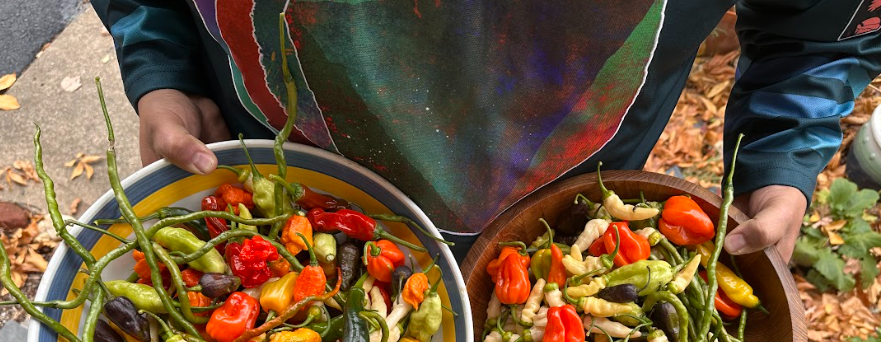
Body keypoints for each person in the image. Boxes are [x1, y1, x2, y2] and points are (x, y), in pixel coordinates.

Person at [93, 0, 881, 261]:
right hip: (268, 159)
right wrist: (159, 63)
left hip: (540, 201)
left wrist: (780, 157)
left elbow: (819, 33)